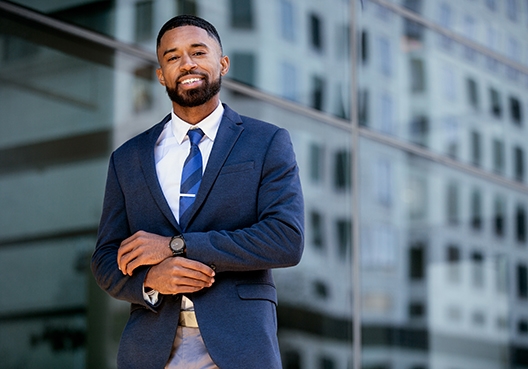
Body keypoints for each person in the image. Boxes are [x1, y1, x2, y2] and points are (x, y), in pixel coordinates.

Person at [91, 14, 304, 369]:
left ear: (222, 63)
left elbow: (285, 238)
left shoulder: (266, 142)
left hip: (240, 350)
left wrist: (178, 247)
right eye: (172, 57)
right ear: (161, 75)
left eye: (198, 52)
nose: (186, 63)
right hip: (151, 352)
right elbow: (105, 259)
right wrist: (150, 282)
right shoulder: (128, 159)